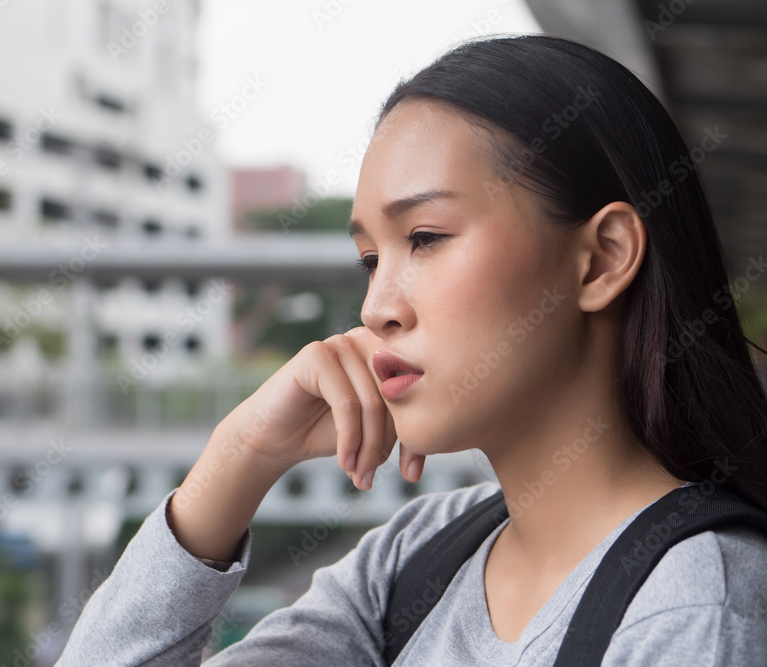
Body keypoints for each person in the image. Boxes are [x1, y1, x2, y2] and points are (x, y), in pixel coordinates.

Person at [56, 34, 767, 665]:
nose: (377, 308)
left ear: (602, 258)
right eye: (371, 259)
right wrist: (240, 454)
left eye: (425, 238)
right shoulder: (422, 557)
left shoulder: (692, 611)